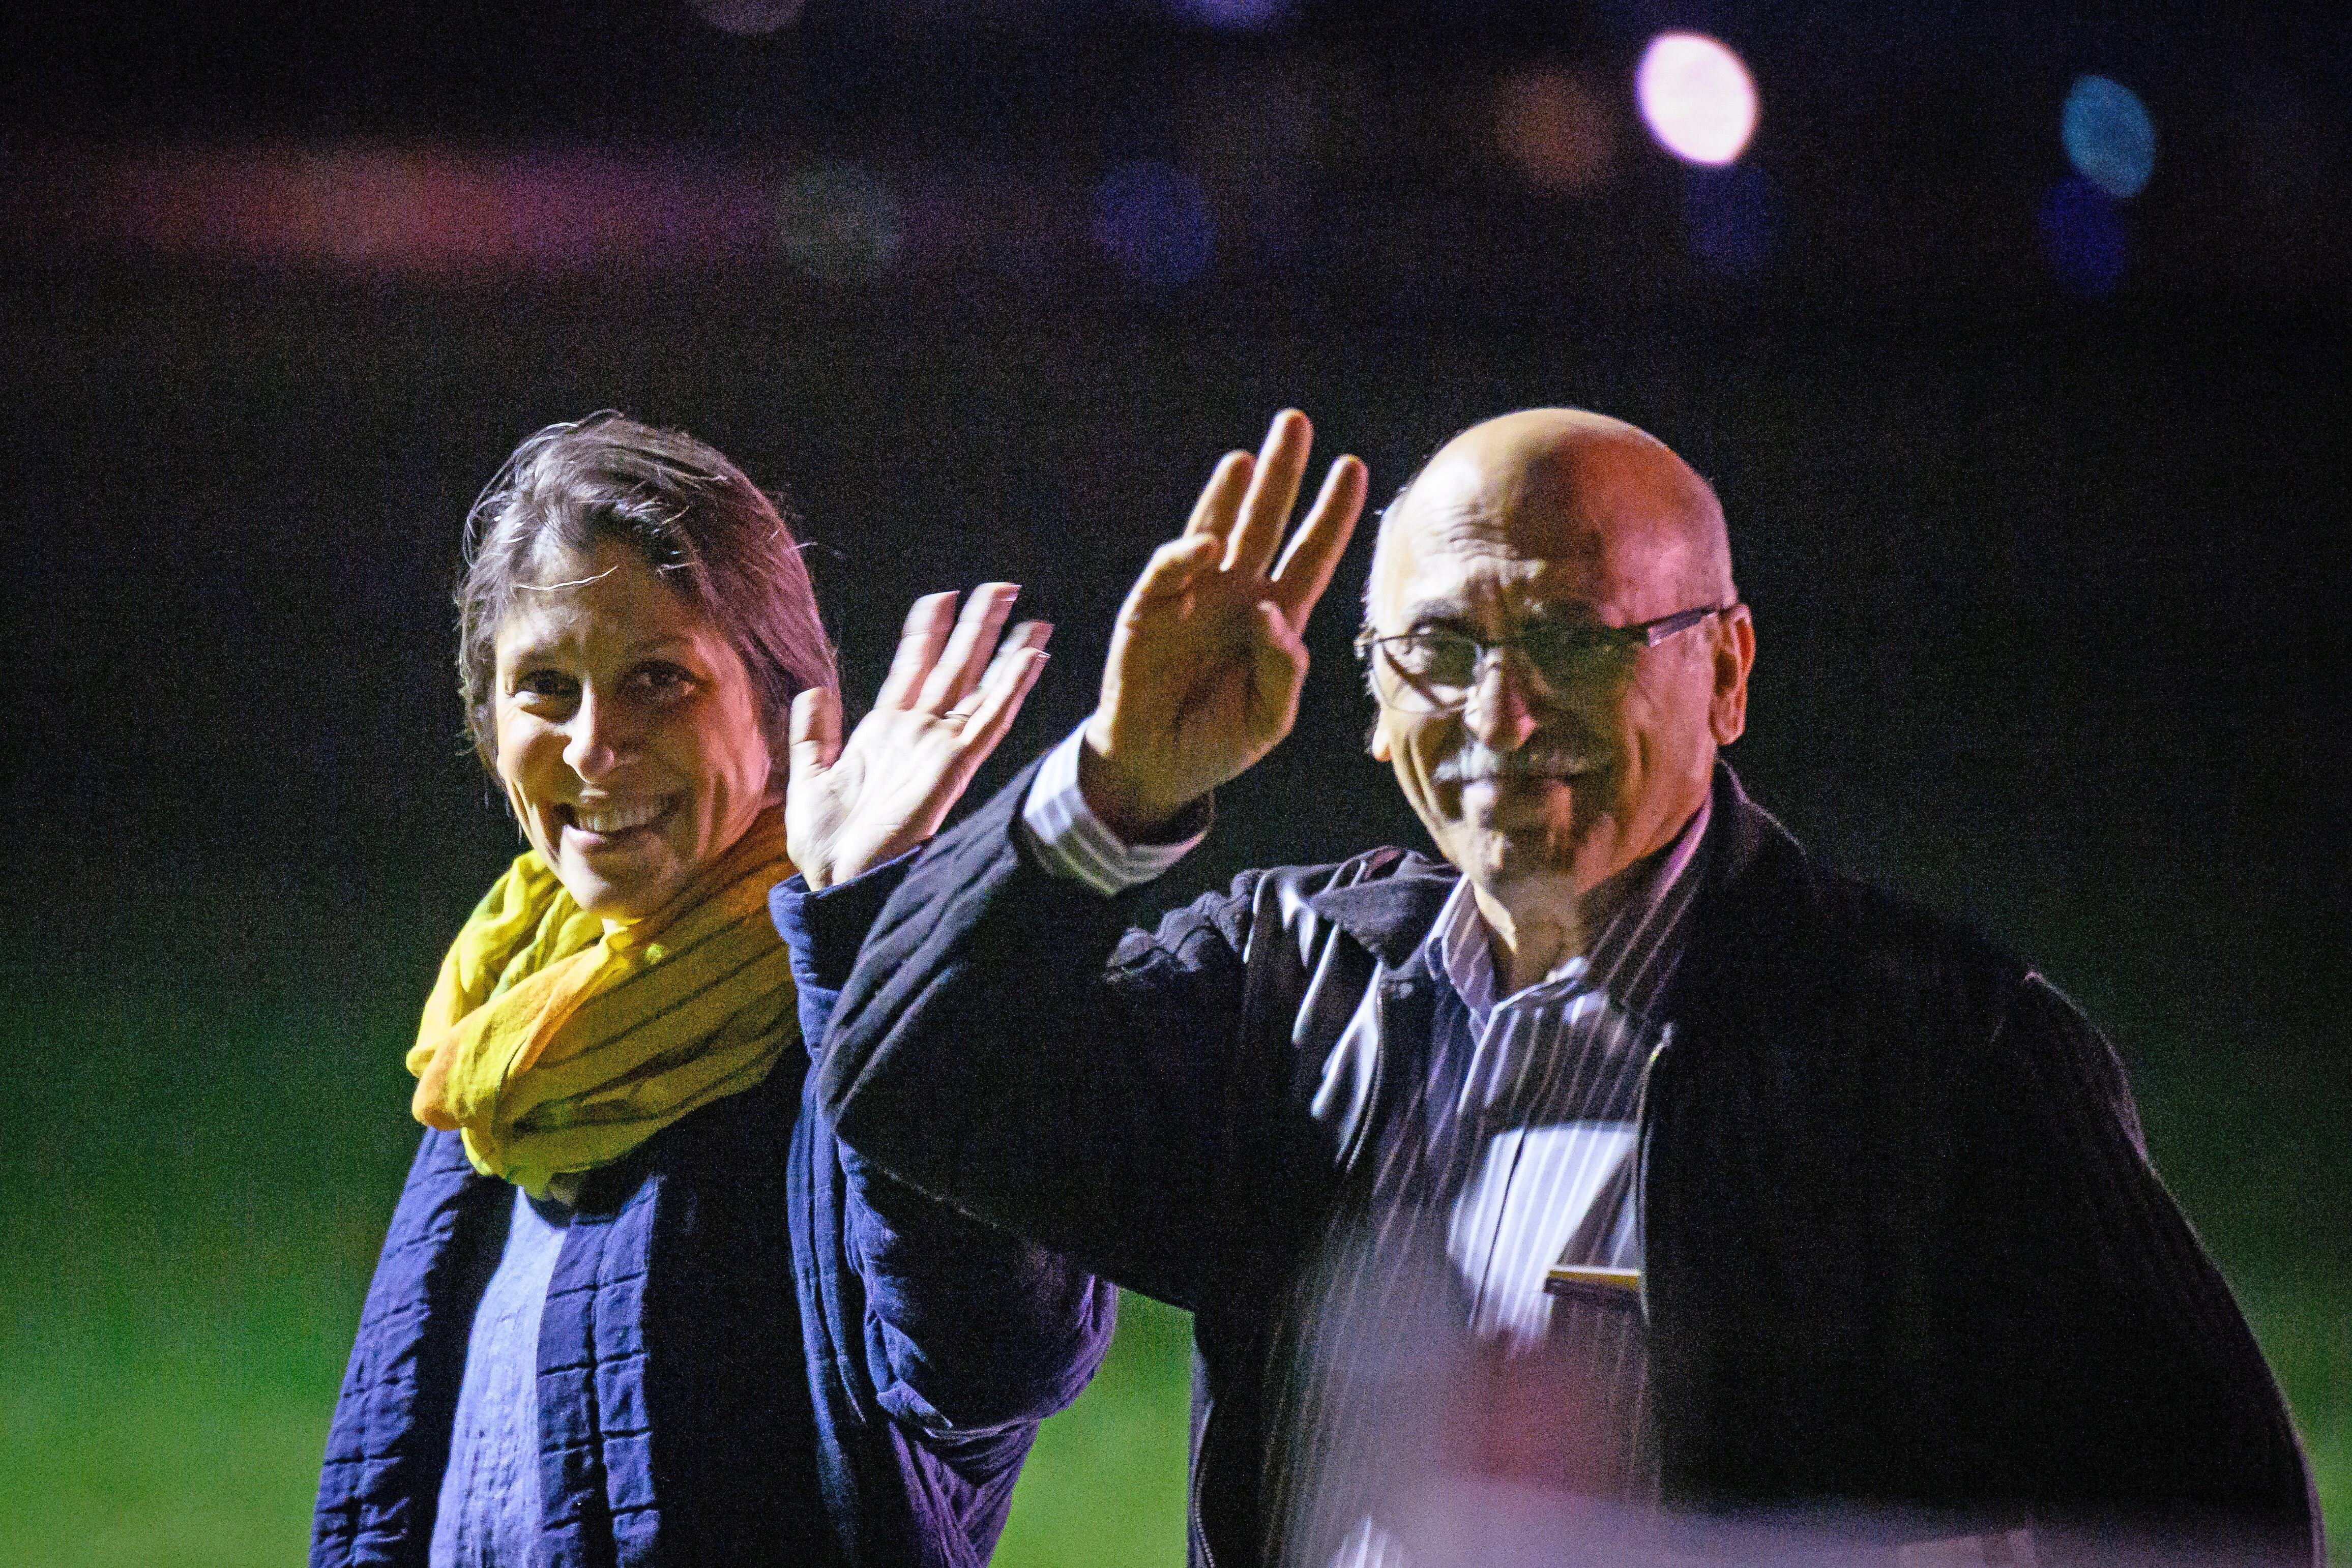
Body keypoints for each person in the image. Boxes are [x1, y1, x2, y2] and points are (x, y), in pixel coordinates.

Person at [794, 409, 2322, 1566]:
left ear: (1724, 672)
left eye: (1573, 640)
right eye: (1443, 649)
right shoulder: (1292, 988)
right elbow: (921, 1082)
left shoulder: (1944, 1052)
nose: (1502, 712)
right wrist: (1114, 790)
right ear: (1378, 703)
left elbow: (2221, 1529)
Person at [311, 412, 1115, 1568]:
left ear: (781, 709)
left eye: (659, 680)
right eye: (544, 686)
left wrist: (871, 931)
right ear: (488, 730)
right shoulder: (505, 1040)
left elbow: (1003, 1357)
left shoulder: (855, 1002)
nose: (595, 746)